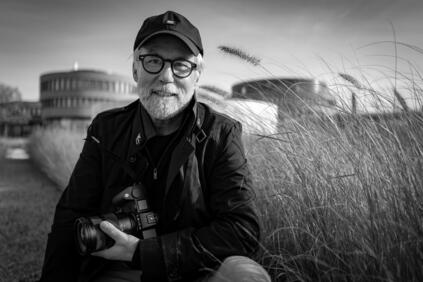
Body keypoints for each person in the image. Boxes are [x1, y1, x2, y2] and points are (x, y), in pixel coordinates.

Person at [40, 10, 271, 282]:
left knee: (245, 275)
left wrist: (145, 252)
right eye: (153, 60)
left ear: (197, 75)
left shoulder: (220, 134)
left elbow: (242, 230)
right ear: (135, 69)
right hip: (121, 274)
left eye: (181, 65)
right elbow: (71, 215)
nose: (166, 76)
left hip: (195, 271)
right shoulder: (106, 129)